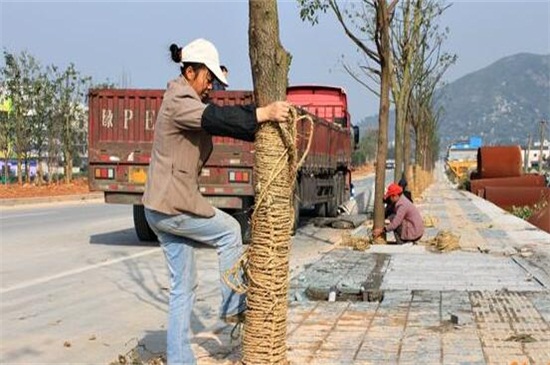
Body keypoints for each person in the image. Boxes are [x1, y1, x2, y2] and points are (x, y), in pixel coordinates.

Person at [142, 38, 291, 365]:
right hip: (171, 207)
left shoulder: (185, 94)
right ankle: (233, 306)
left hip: (161, 206)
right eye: (207, 79)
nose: (211, 86)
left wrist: (216, 78)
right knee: (228, 231)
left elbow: (215, 111)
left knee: (184, 288)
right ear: (190, 71)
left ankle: (181, 361)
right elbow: (216, 119)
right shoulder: (180, 100)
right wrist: (263, 113)